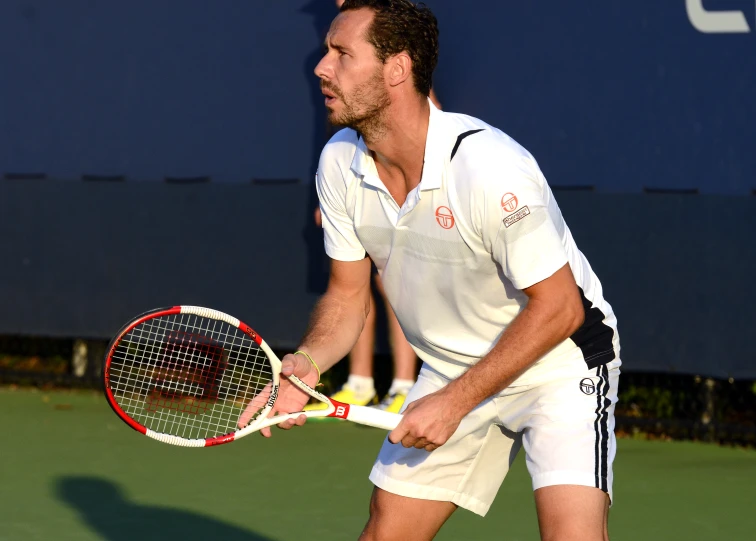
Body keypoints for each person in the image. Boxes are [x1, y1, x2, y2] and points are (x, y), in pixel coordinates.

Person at [245, 1, 621, 539]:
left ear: (396, 69)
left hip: (560, 364)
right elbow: (349, 297)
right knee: (385, 533)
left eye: (341, 54)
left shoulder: (488, 168)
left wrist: (458, 400)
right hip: (450, 364)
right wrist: (308, 361)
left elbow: (560, 308)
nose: (320, 67)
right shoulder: (338, 162)